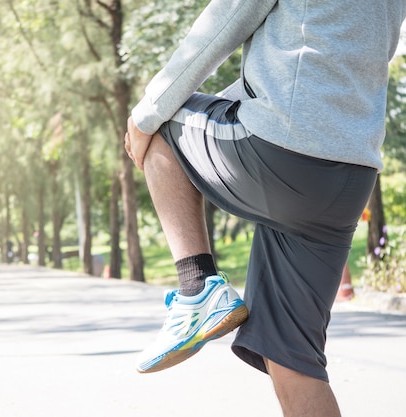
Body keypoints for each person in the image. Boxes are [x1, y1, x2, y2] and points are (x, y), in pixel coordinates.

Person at [125, 1, 406, 416]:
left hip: (286, 152)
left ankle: (197, 287)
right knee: (291, 359)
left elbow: (219, 26)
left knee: (165, 121)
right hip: (352, 173)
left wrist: (143, 117)